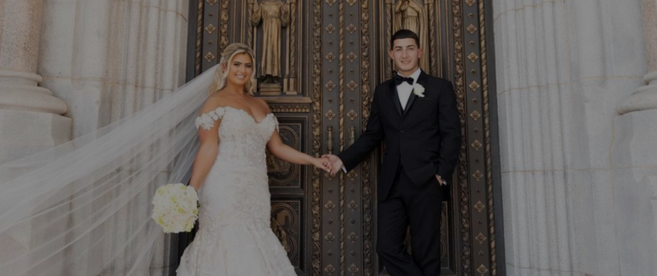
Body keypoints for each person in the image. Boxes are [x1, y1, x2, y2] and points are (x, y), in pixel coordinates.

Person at [178, 42, 331, 276]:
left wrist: (313, 160)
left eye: (248, 65)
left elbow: (277, 147)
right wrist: (191, 191)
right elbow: (208, 148)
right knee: (228, 241)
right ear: (224, 67)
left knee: (255, 240)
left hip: (256, 188)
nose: (243, 70)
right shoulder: (215, 101)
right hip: (224, 185)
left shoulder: (260, 104)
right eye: (237, 64)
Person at [323, 30, 461, 276]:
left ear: (419, 52)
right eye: (399, 49)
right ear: (391, 54)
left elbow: (451, 135)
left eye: (410, 48)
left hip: (426, 180)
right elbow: (373, 135)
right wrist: (342, 159)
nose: (404, 54)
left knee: (426, 251)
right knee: (386, 247)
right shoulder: (383, 91)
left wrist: (441, 174)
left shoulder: (440, 88)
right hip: (392, 182)